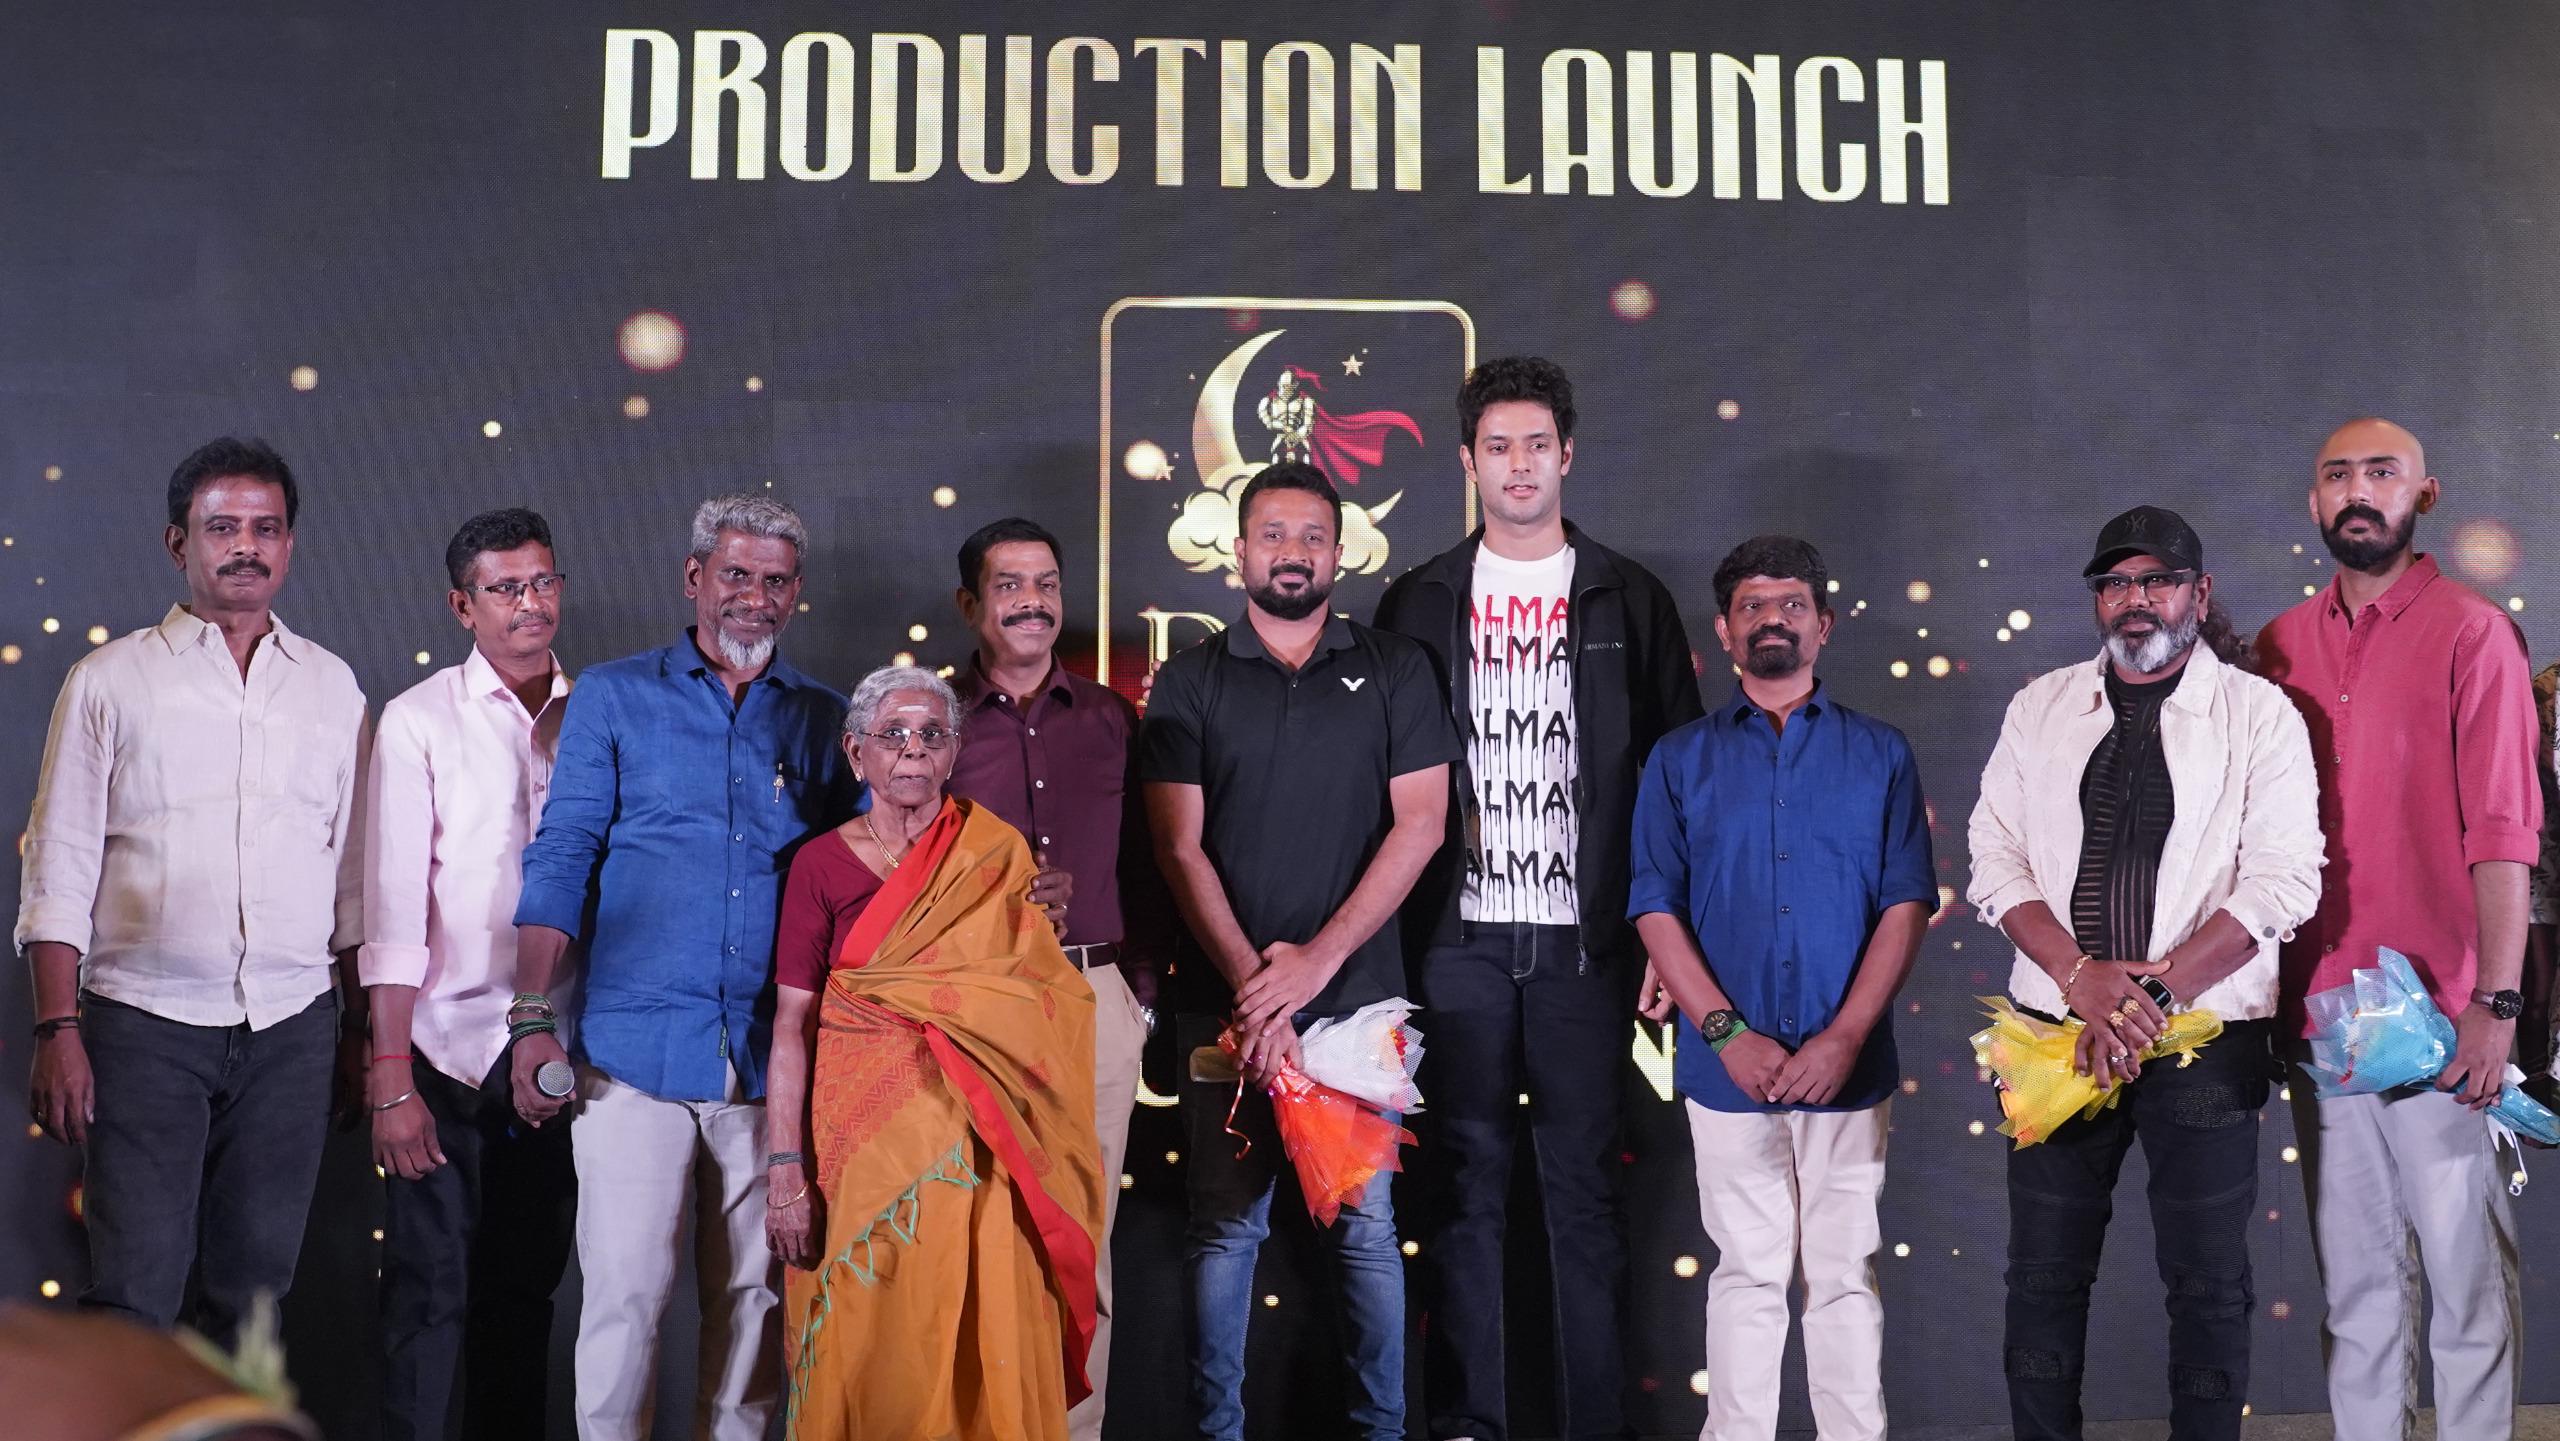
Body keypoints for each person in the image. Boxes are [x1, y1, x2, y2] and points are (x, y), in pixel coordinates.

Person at [1371, 354, 1701, 1441]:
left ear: (1569, 455)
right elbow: (1383, 779)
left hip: (1584, 948)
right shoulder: (1419, 598)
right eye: (1497, 446)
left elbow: (1676, 777)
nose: (1518, 465)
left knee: (1585, 1197)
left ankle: (1591, 1423)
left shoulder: (1628, 596)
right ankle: (1469, 1422)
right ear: (1467, 462)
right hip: (1456, 942)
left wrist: (1665, 938)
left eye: (1536, 445)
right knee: (1459, 1196)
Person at [1970, 506, 2322, 1439]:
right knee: (2042, 1276)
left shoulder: (2260, 713)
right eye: (2117, 583)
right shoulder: (2041, 706)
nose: (2137, 599)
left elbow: (2284, 880)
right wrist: (2079, 978)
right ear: (2098, 599)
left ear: (2199, 593)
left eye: (2157, 580)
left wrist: (2151, 997)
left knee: (2208, 1282)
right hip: (2054, 1031)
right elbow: (1992, 857)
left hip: (2206, 1038)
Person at [508, 494, 854, 1441]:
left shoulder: (827, 720)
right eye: (735, 574)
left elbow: (871, 873)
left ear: (796, 593)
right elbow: (563, 853)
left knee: (754, 1309)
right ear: (694, 577)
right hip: (630, 1058)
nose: (754, 597)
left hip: (768, 1066)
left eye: (775, 581)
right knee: (622, 1303)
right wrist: (531, 1014)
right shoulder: (614, 696)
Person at [17, 437, 365, 1345]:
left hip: (294, 1028)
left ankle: (230, 1417)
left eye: (266, 528)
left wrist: (359, 1031)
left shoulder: (332, 688)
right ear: (179, 544)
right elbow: (58, 864)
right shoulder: (109, 681)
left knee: (254, 1303)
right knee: (135, 1292)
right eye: (222, 527)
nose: (246, 546)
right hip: (143, 1027)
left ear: (289, 544)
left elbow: (353, 879)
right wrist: (56, 1029)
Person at [1141, 460, 1459, 1441]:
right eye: (1274, 534)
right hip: (1224, 1014)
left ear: (1340, 551)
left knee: (1365, 1230)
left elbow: (1421, 824)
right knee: (1223, 1229)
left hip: (1358, 1006)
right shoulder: (1190, 677)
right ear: (1239, 551)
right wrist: (1258, 992)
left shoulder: (1397, 668)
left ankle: (1379, 1431)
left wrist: (1314, 966)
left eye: (1313, 536)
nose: (1293, 552)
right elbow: (1177, 846)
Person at [2255, 420, 2544, 1441]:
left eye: (2382, 472)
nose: (2357, 490)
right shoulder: (2277, 645)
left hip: (2441, 1017)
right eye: (2337, 474)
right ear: (2314, 502)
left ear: (2423, 495)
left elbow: (2504, 832)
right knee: (2356, 1292)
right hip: (2319, 1016)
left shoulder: (2473, 631)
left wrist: (2494, 1005)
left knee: (2467, 1286)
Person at [1628, 536, 1933, 1441]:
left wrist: (1844, 1036)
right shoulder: (1678, 759)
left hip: (1850, 1065)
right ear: (1724, 631)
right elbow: (1654, 906)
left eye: (1792, 603)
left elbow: (1906, 902)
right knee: (1747, 1273)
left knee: (1843, 1274)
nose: (1773, 619)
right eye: (1753, 606)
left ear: (1824, 624)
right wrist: (1726, 1034)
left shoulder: (1881, 752)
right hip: (1726, 1069)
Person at [764, 665, 1104, 1440]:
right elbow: (792, 1022)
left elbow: (1043, 1003)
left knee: (977, 1324)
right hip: (859, 1151)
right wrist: (785, 1171)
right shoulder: (820, 863)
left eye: (932, 734)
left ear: (953, 752)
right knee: (871, 1334)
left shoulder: (996, 856)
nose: (913, 750)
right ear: (856, 752)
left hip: (983, 1145)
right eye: (893, 734)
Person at [361, 508, 578, 1441]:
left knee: (524, 1297)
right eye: (505, 587)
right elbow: (391, 907)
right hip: (442, 1049)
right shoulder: (418, 719)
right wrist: (390, 1072)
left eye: (543, 582)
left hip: (559, 1047)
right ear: (463, 605)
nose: (530, 603)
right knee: (427, 1293)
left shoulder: (599, 711)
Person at [944, 515, 1162, 1441]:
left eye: (1046, 584)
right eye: (1009, 585)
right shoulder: (933, 722)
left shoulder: (1113, 720)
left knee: (1083, 1241)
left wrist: (1139, 993)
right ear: (970, 604)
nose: (1032, 602)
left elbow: (1151, 861)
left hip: (1093, 1000)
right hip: (972, 1007)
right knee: (972, 1233)